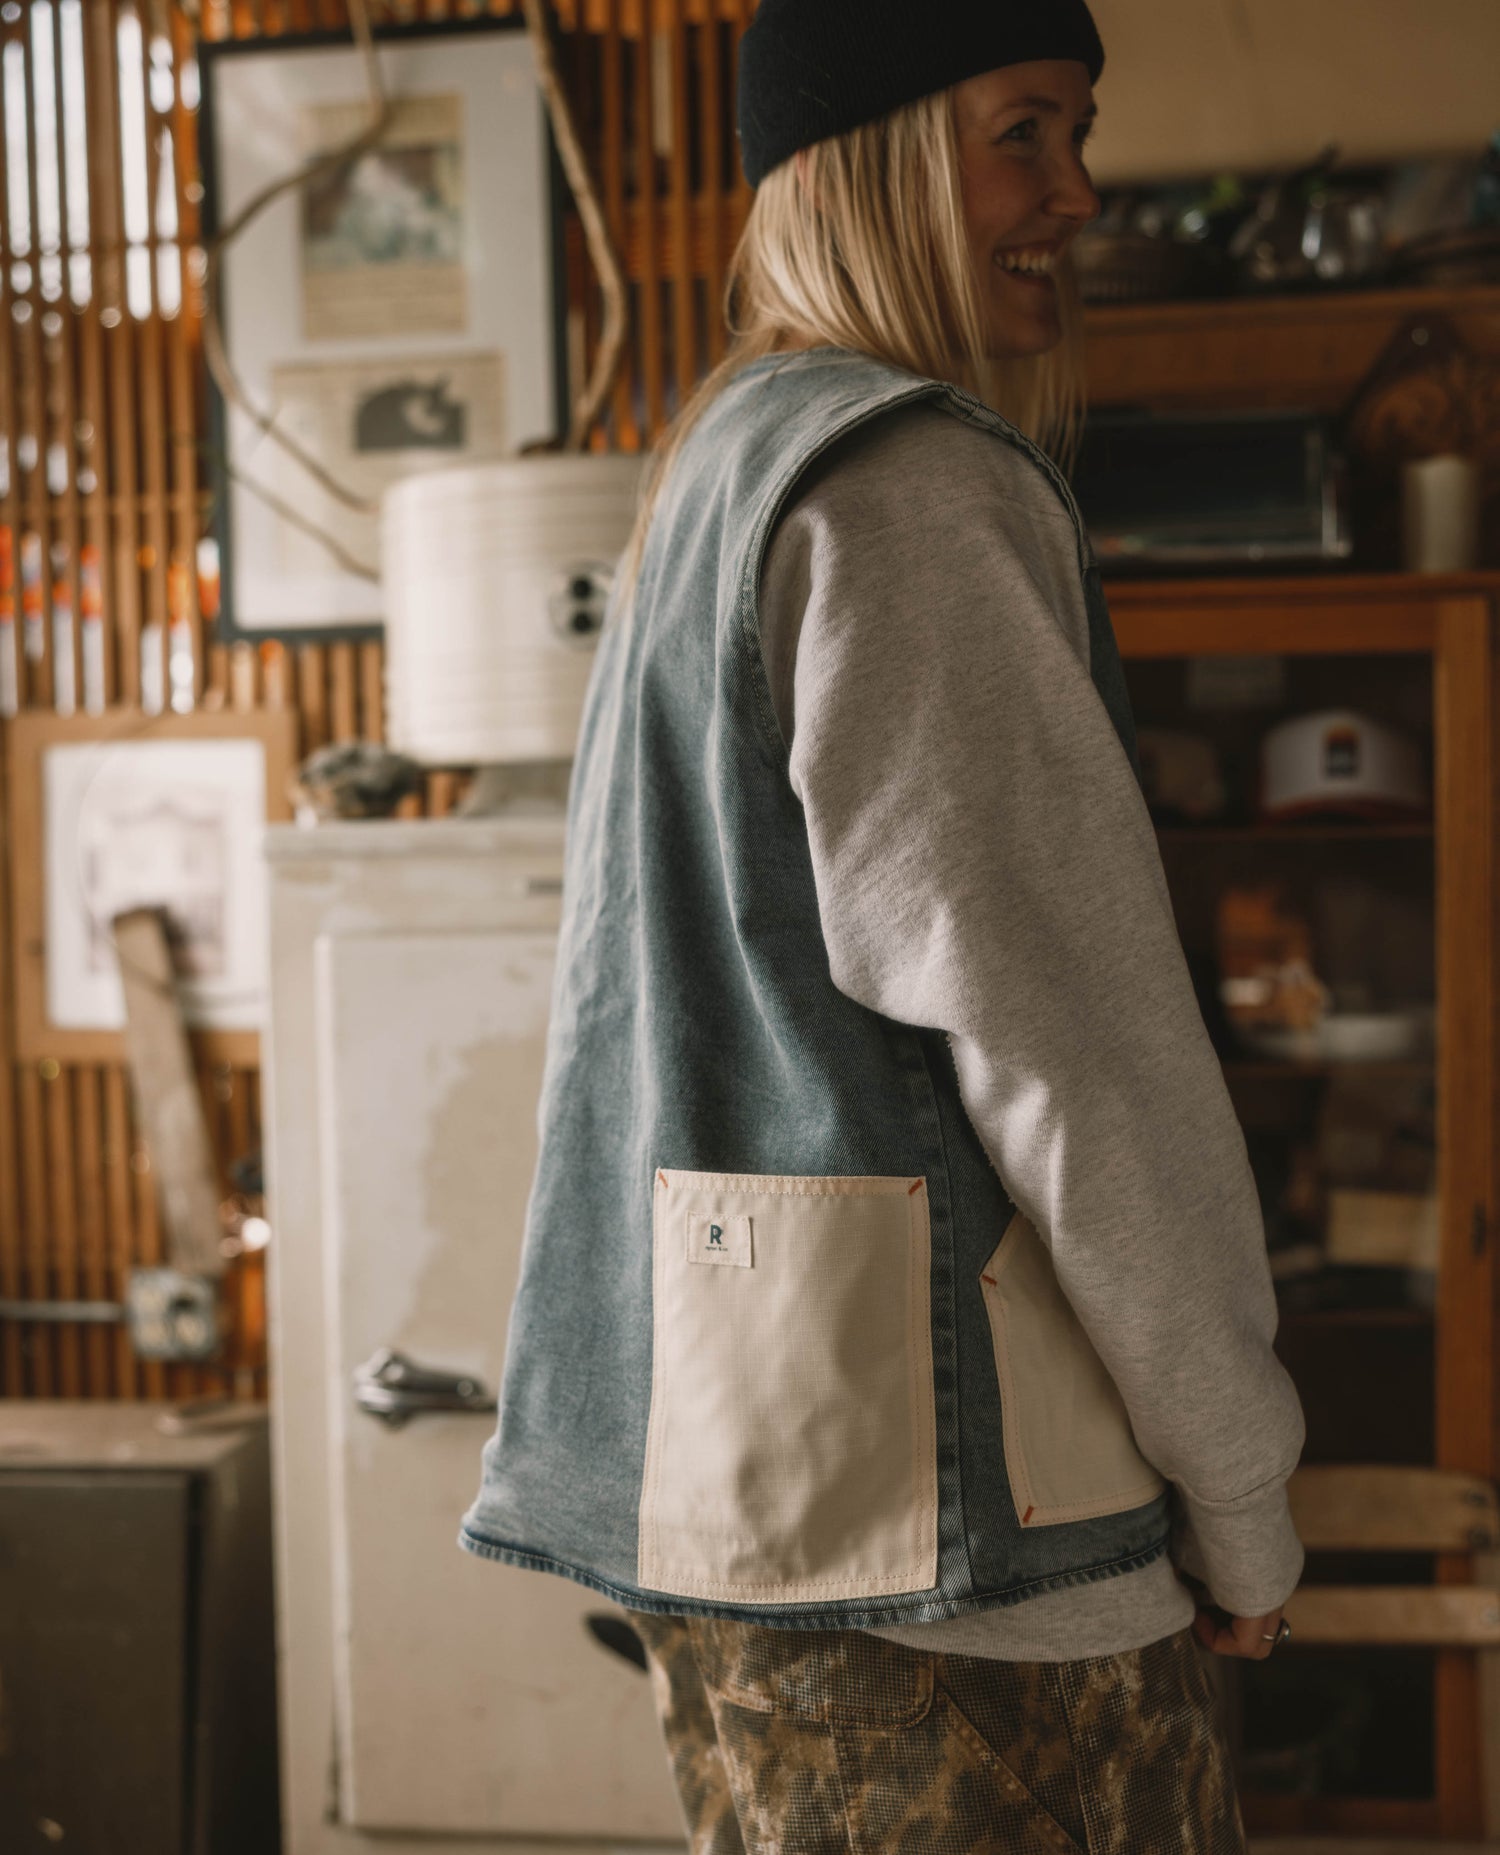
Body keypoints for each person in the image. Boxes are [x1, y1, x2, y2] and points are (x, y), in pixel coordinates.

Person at [459, 0, 1308, 1847]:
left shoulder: (720, 467)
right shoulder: (910, 488)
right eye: (1025, 130)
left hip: (768, 1501)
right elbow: (1079, 1063)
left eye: (1079, 133)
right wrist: (1244, 1488)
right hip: (980, 1574)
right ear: (884, 151)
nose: (1078, 192)